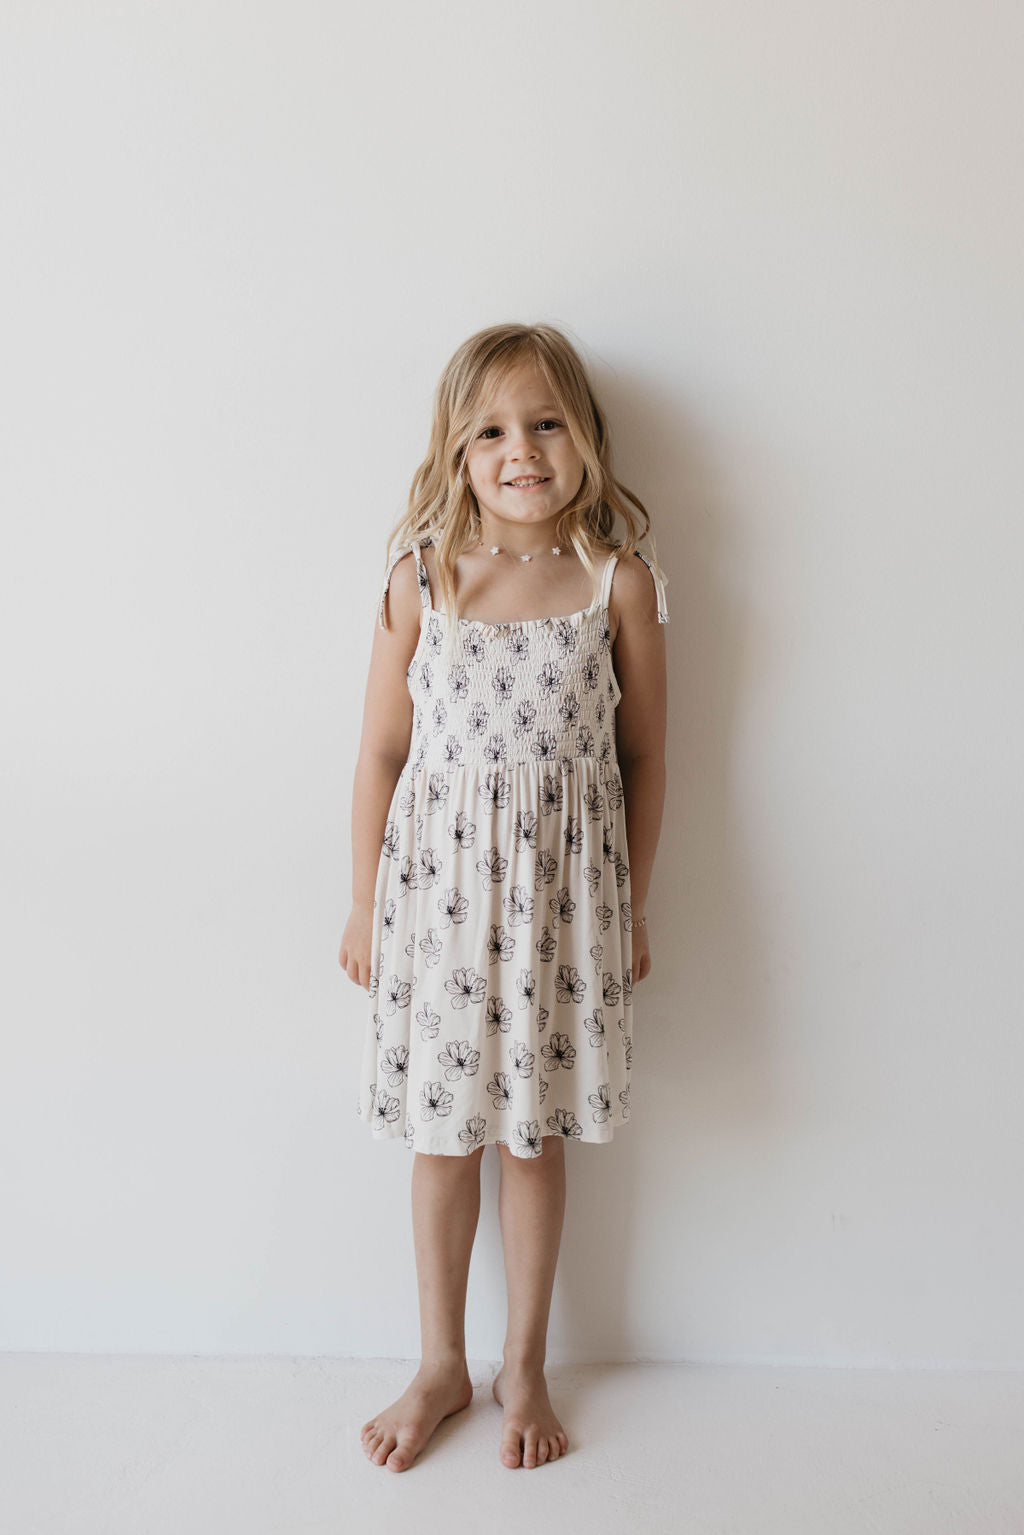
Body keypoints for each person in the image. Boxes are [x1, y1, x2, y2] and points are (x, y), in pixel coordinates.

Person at [338, 321, 669, 1473]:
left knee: (531, 1139)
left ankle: (522, 1360)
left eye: (543, 422)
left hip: (559, 923)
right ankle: (439, 1359)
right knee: (443, 1139)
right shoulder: (421, 580)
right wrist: (356, 902)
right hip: (436, 917)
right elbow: (380, 755)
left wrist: (633, 902)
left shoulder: (613, 583)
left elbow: (643, 759)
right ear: (454, 450)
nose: (519, 450)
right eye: (488, 430)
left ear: (583, 436)